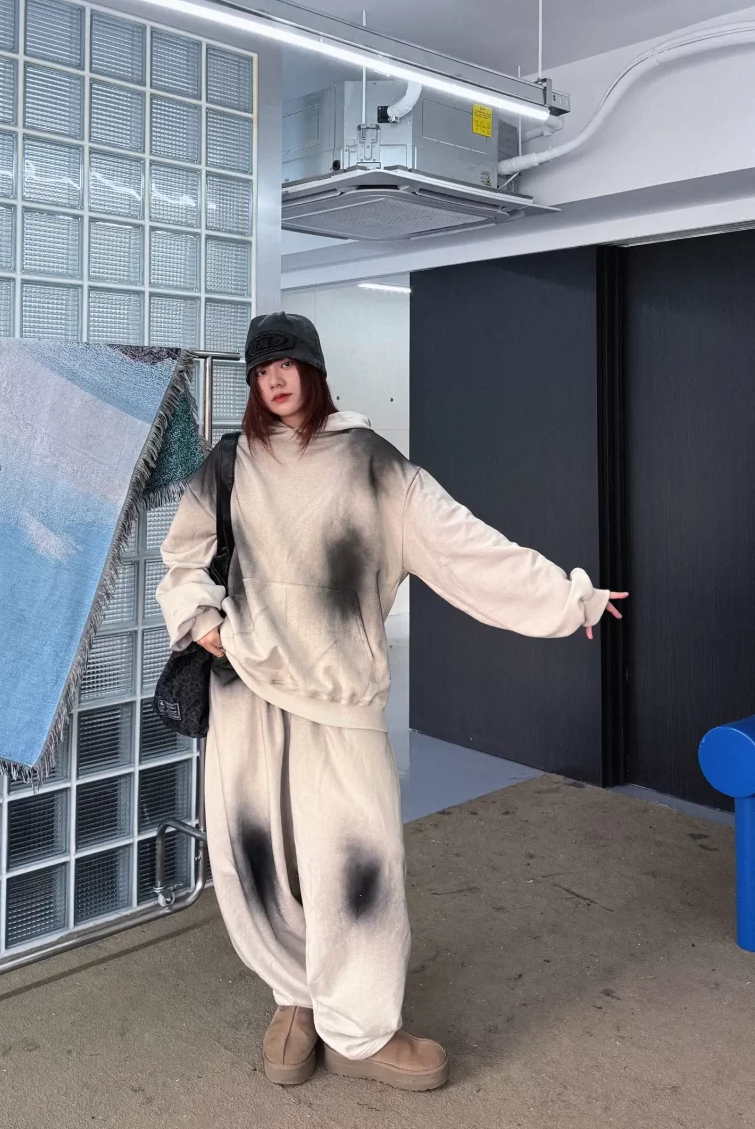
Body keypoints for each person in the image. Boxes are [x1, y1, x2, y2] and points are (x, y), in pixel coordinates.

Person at [157, 312, 626, 1092]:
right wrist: (202, 619)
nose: (275, 378)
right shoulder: (230, 463)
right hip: (245, 692)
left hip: (340, 703)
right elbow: (182, 557)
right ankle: (294, 996)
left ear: (315, 370)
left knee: (358, 865)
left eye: (288, 363)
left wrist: (569, 598)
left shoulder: (373, 465)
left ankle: (360, 1029)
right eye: (262, 368)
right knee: (260, 860)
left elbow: (466, 547)